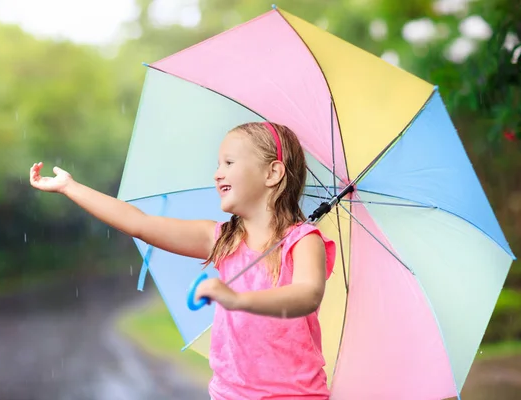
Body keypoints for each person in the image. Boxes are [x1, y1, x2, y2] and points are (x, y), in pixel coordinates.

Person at [29, 121, 336, 399]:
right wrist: (71, 187)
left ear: (272, 173)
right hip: (230, 394)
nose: (217, 173)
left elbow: (306, 295)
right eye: (218, 164)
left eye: (229, 163)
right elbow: (141, 225)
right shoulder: (221, 239)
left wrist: (238, 299)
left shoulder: (303, 240)